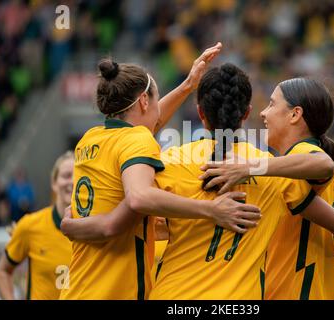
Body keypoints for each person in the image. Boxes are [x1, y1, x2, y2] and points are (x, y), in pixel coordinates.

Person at [61, 64, 334, 299]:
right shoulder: (281, 175)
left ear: (200, 114)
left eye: (272, 104)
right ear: (245, 112)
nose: (264, 111)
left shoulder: (167, 163)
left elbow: (141, 216)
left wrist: (77, 226)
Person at [59, 44, 261, 300]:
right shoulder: (137, 141)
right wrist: (211, 210)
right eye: (155, 99)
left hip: (78, 286)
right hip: (111, 291)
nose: (157, 117)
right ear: (144, 101)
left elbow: (146, 125)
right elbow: (139, 197)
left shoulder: (90, 139)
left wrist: (188, 85)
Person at [200, 78, 334, 299]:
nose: (263, 113)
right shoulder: (290, 167)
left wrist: (249, 167)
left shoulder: (300, 154)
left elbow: (323, 164)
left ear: (295, 115)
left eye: (272, 104)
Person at [0, 151, 74, 300]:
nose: (72, 181)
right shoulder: (31, 225)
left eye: (78, 175)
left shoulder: (95, 229)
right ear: (54, 183)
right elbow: (3, 271)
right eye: (66, 175)